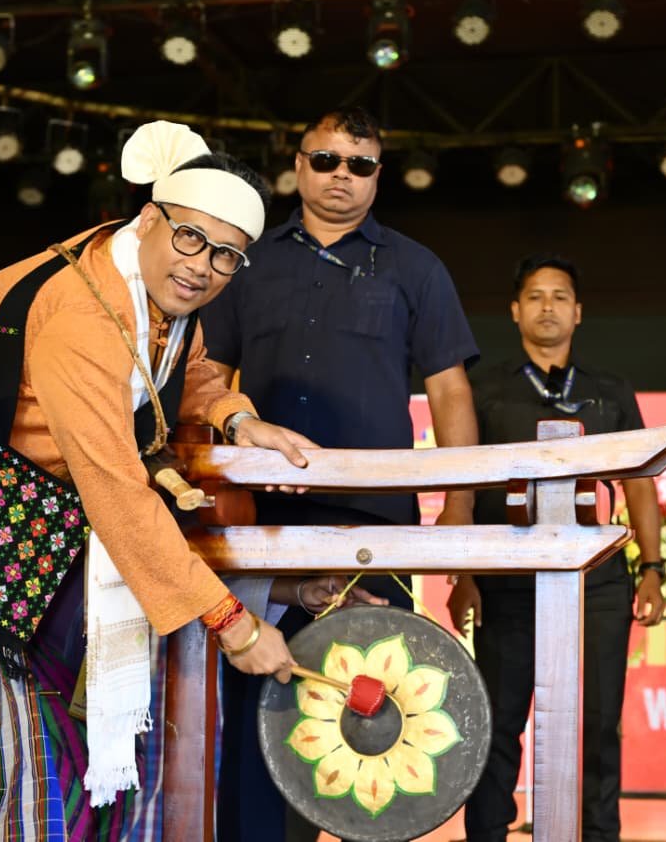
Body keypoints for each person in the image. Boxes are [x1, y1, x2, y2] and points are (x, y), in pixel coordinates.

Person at [0, 120, 355, 840]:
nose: (202, 267)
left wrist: (236, 418)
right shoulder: (86, 318)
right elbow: (116, 491)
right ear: (149, 218)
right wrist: (235, 626)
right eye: (190, 238)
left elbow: (186, 368)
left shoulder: (145, 284)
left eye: (226, 256)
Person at [201, 106, 481, 842]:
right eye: (325, 160)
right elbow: (208, 377)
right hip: (257, 524)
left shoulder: (416, 267)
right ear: (297, 166)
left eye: (359, 164)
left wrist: (458, 507)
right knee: (254, 706)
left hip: (373, 528)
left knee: (365, 715)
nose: (341, 176)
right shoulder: (246, 261)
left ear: (378, 177)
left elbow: (450, 391)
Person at [447, 254, 665, 842]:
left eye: (560, 296)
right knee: (497, 725)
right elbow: (463, 483)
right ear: (515, 311)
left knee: (598, 724)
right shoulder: (483, 389)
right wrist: (463, 576)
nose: (548, 307)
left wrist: (652, 566)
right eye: (536, 296)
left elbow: (639, 484)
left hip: (597, 582)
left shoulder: (609, 391)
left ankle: (599, 835)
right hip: (507, 582)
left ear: (579, 312)